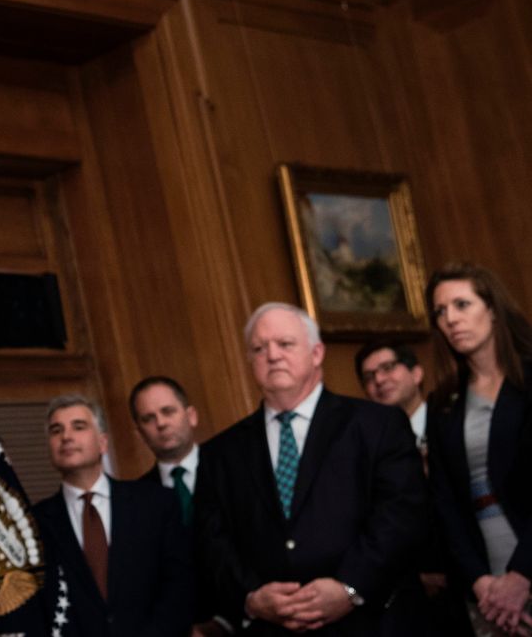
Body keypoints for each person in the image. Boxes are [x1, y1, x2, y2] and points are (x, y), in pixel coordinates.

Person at [196, 302, 428, 635]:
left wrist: (350, 587)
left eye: (285, 344)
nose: (272, 355)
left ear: (316, 353)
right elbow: (213, 541)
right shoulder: (221, 452)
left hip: (373, 621)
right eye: (259, 349)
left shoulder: (376, 424)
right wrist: (251, 597)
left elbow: (401, 514)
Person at [425, 262, 532, 636]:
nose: (451, 319)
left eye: (462, 305)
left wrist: (522, 575)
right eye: (440, 311)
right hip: (484, 585)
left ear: (492, 308)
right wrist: (480, 582)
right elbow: (445, 503)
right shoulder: (442, 404)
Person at [34, 395, 193, 636]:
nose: (66, 437)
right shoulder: (35, 522)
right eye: (57, 430)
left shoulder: (155, 503)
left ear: (103, 442)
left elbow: (179, 586)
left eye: (79, 426)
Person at [357, 339, 474, 636]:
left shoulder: (452, 421)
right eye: (369, 377)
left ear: (417, 373)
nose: (379, 380)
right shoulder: (365, 447)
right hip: (415, 592)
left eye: (387, 368)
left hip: (477, 569)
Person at [130, 375, 199, 525]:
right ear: (140, 434)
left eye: (168, 411)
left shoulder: (228, 467)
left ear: (191, 416)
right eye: (148, 419)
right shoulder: (137, 499)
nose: (161, 423)